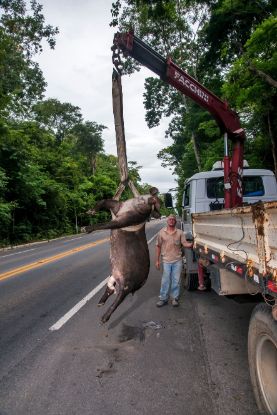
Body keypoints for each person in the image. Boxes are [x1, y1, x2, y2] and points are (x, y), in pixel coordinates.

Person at [155, 214, 193, 307]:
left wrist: (192, 244)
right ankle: (163, 298)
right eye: (170, 219)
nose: (171, 220)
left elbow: (184, 243)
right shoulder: (161, 233)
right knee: (165, 280)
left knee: (176, 280)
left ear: (175, 222)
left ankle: (174, 298)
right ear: (167, 221)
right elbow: (158, 246)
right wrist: (157, 260)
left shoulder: (180, 232)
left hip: (177, 261)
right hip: (166, 260)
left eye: (173, 219)